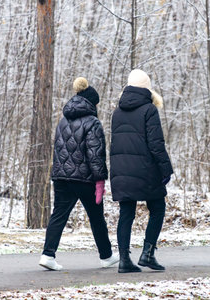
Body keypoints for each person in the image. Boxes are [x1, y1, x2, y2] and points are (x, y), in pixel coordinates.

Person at [39, 77, 119, 271]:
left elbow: (59, 150)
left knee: (58, 215)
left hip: (61, 176)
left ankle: (47, 254)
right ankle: (106, 256)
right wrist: (100, 180)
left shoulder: (63, 120)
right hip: (84, 179)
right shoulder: (93, 122)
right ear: (92, 103)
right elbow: (95, 154)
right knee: (96, 217)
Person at [110, 69, 174, 273]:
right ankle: (147, 253)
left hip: (121, 170)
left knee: (126, 213)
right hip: (146, 170)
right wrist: (166, 169)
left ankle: (123, 260)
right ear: (147, 87)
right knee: (157, 209)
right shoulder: (149, 109)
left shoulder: (117, 111)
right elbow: (156, 144)